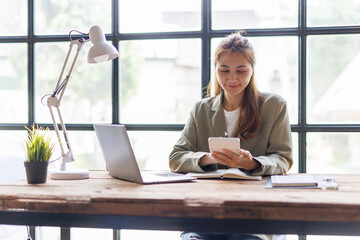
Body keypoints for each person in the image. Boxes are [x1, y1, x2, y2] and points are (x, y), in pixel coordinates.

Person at [169, 31, 293, 240]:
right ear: (216, 70)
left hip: (255, 215)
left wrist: (252, 163)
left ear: (252, 70)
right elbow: (176, 157)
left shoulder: (274, 106)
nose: (232, 78)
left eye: (241, 70)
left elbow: (283, 158)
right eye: (224, 70)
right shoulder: (201, 110)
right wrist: (207, 158)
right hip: (206, 214)